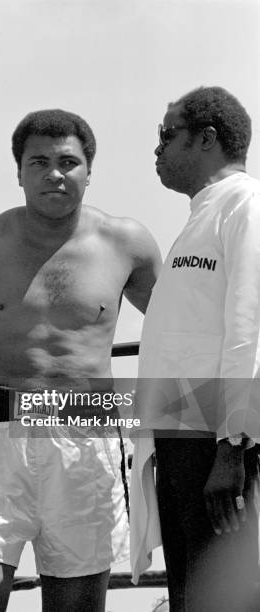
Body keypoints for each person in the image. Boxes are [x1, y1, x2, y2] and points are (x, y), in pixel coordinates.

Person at [0, 108, 162, 612]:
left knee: (78, 603)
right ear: (18, 171)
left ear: (90, 170)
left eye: (68, 161)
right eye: (38, 161)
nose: (54, 173)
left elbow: (181, 326)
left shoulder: (126, 241)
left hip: (83, 428)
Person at [131, 86, 260, 612]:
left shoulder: (244, 205)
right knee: (191, 596)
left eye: (167, 136)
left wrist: (235, 445)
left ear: (206, 139)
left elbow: (249, 326)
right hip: (184, 443)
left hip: (220, 447)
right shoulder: (201, 217)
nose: (157, 150)